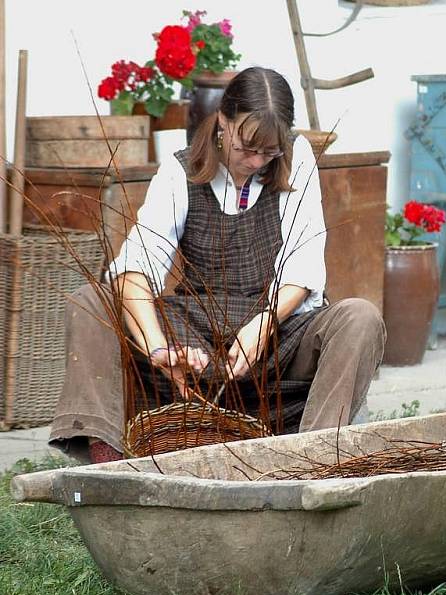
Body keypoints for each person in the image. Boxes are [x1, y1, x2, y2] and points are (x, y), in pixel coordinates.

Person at [49, 67, 386, 463]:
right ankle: (107, 458)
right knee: (91, 301)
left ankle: (314, 457)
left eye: (269, 151)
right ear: (224, 121)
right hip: (198, 336)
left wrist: (263, 325)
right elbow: (136, 267)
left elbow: (302, 267)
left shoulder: (297, 157)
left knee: (359, 317)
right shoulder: (181, 170)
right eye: (246, 148)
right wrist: (159, 347)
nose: (257, 161)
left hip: (279, 333)